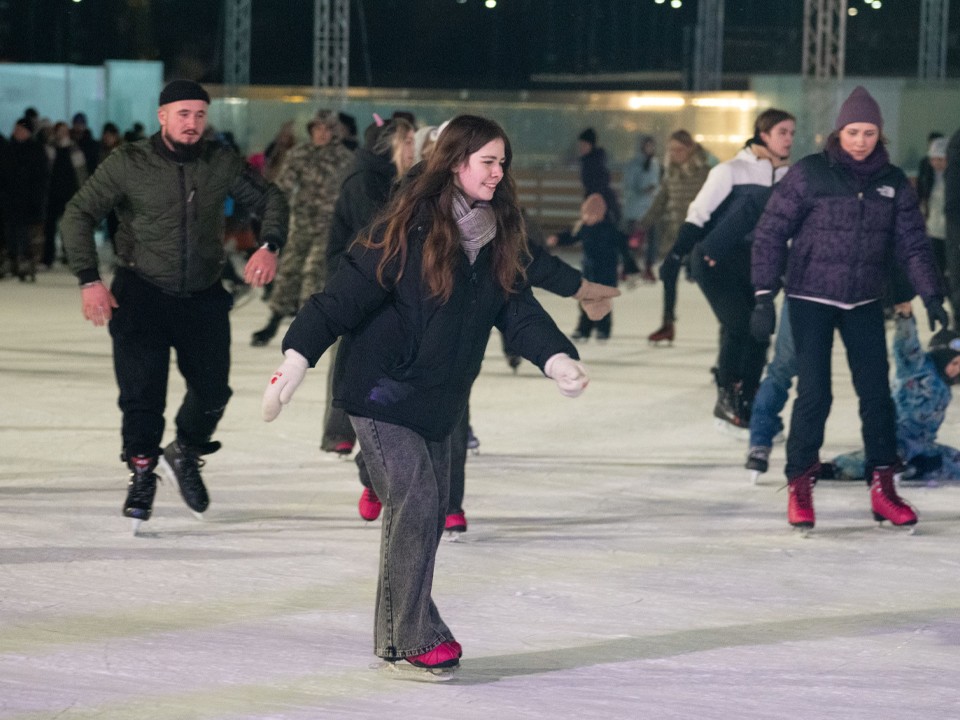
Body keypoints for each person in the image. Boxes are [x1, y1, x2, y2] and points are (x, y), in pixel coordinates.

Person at [261, 114, 588, 673]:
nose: (497, 173)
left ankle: (397, 627)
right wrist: (295, 359)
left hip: (438, 398)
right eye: (488, 162)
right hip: (380, 389)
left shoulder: (496, 232)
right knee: (417, 501)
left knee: (428, 511)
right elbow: (342, 295)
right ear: (456, 163)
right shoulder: (406, 224)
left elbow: (517, 306)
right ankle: (412, 633)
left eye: (502, 163)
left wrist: (555, 356)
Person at [60, 79, 289, 533]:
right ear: (163, 116)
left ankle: (185, 450)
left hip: (202, 294)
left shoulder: (219, 161)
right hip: (140, 292)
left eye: (199, 115)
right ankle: (142, 472)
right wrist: (89, 280)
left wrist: (269, 245)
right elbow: (77, 214)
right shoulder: (130, 162)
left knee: (213, 393)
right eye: (183, 114)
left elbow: (272, 199)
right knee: (142, 394)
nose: (192, 124)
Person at [751, 85, 946, 531]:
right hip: (810, 298)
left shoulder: (892, 181)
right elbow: (769, 232)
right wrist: (764, 294)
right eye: (853, 131)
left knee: (877, 395)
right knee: (815, 393)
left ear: (880, 135)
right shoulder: (809, 174)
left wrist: (931, 294)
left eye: (870, 132)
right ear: (839, 131)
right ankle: (800, 484)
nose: (861, 141)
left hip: (863, 299)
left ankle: (883, 488)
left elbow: (913, 244)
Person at [672, 109, 796, 435]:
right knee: (739, 325)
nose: (789, 139)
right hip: (717, 261)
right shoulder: (731, 170)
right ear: (763, 134)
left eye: (792, 133)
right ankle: (727, 399)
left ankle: (750, 400)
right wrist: (676, 253)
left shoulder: (790, 178)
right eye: (782, 131)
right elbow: (698, 214)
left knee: (759, 330)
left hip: (760, 265)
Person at [320, 115, 416, 458]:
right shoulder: (366, 181)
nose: (412, 149)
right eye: (407, 142)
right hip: (353, 277)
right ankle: (339, 431)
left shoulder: (397, 179)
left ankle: (367, 428)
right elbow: (378, 235)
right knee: (350, 354)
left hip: (377, 278)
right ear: (389, 145)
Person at [250, 110, 354, 347]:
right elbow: (283, 187)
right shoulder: (300, 154)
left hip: (328, 226)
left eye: (327, 129)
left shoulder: (345, 158)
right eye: (317, 129)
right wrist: (270, 208)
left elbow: (351, 191)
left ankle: (307, 327)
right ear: (310, 130)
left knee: (313, 273)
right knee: (289, 271)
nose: (322, 134)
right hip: (301, 222)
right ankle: (274, 320)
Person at [833, 305, 960, 485]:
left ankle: (917, 467)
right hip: (896, 439)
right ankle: (837, 467)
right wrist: (905, 318)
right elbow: (907, 344)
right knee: (884, 459)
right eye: (953, 362)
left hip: (923, 445)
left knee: (953, 461)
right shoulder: (917, 367)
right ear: (941, 356)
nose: (957, 369)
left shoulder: (945, 387)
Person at [637, 130, 711, 345]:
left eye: (679, 149)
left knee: (710, 281)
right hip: (676, 236)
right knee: (668, 276)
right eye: (671, 150)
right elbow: (660, 202)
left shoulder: (705, 173)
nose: (675, 154)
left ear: (690, 149)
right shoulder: (671, 173)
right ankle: (667, 323)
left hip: (700, 236)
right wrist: (642, 226)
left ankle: (730, 326)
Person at [547, 193, 621, 340]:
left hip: (605, 273)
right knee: (585, 301)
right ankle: (584, 329)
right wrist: (558, 239)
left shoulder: (609, 229)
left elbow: (621, 247)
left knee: (602, 302)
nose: (588, 218)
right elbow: (571, 237)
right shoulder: (583, 227)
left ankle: (603, 329)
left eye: (591, 215)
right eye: (586, 215)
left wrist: (629, 266)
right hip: (589, 271)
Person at [0, 118, 48, 281]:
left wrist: (37, 199)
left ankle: (25, 261)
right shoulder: (8, 148)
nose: (18, 132)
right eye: (16, 128)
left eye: (21, 129)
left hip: (27, 201)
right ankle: (12, 259)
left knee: (25, 233)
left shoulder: (35, 150)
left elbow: (41, 178)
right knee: (10, 232)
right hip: (9, 199)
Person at [918, 136, 951, 323]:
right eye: (933, 159)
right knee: (935, 265)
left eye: (940, 159)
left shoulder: (953, 177)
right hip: (933, 229)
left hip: (950, 232)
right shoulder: (928, 175)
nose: (936, 163)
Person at [622, 134, 661, 282]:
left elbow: (656, 184)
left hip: (650, 209)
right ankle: (627, 267)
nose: (650, 149)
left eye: (652, 146)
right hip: (636, 210)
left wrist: (654, 191)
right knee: (634, 240)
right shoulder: (634, 165)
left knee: (652, 239)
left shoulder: (655, 164)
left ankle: (648, 267)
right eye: (647, 146)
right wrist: (642, 191)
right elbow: (628, 187)